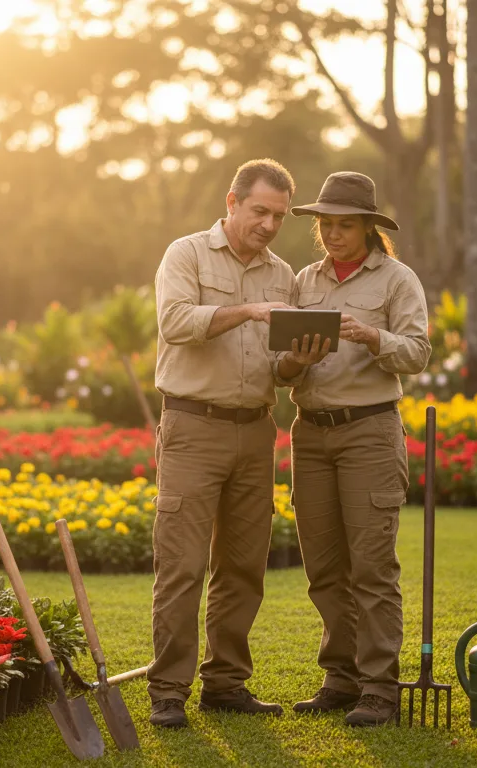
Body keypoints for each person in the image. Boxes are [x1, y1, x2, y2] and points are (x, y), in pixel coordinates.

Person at [146, 158, 304, 728]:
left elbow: (278, 367)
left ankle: (226, 684)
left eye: (279, 216)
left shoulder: (283, 275)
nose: (268, 224)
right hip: (192, 428)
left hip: (256, 430)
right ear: (233, 202)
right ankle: (168, 691)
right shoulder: (185, 254)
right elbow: (177, 323)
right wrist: (250, 310)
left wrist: (298, 358)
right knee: (182, 565)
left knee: (243, 566)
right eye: (260, 210)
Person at [275, 171, 432, 727]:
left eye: (345, 225)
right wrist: (296, 360)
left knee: (371, 567)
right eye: (327, 225)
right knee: (323, 568)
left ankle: (379, 690)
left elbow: (417, 353)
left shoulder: (396, 280)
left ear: (368, 227)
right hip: (310, 433)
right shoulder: (302, 281)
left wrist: (373, 337)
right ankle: (340, 679)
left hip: (369, 431)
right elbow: (280, 366)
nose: (334, 234)